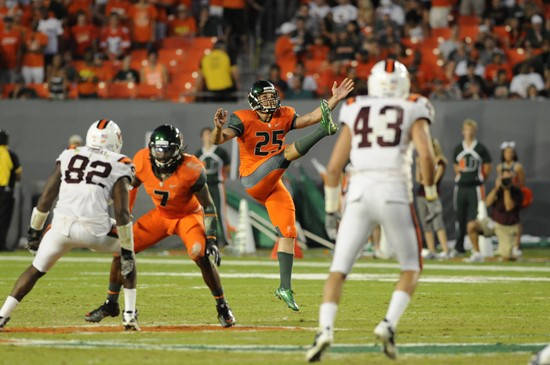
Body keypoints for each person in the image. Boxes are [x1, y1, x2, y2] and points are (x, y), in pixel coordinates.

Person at [306, 59, 438, 362]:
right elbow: (427, 157)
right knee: (411, 267)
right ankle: (388, 324)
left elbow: (335, 167)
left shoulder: (355, 106)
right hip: (395, 193)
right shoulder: (415, 105)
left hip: (358, 194)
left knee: (338, 271)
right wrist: (430, 194)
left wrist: (330, 208)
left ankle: (324, 329)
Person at [212, 78, 354, 311]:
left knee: (288, 233)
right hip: (253, 177)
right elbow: (219, 139)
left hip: (273, 183)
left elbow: (311, 116)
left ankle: (284, 287)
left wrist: (335, 99)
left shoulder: (284, 114)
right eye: (264, 98)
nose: (269, 101)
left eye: (271, 96)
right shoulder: (243, 118)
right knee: (286, 153)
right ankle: (323, 133)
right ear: (254, 102)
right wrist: (218, 126)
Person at [85, 125, 235, 328]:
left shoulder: (191, 167)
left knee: (200, 254)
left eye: (166, 149)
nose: (161, 154)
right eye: (158, 149)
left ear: (177, 149)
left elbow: (208, 205)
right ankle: (111, 303)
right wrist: (125, 214)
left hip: (187, 216)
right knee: (121, 248)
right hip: (161, 216)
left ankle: (222, 306)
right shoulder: (142, 160)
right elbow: (129, 187)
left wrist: (211, 239)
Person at [0, 120, 139, 331]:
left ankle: (2, 315)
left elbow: (46, 198)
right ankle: (129, 315)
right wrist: (127, 251)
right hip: (96, 231)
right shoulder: (120, 162)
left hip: (60, 229)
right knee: (127, 249)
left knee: (36, 268)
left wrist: (34, 231)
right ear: (116, 141)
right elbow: (121, 213)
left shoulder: (69, 154)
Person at [453, 119, 492, 259]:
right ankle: (459, 247)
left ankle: (476, 249)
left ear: (474, 132)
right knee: (460, 218)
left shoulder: (480, 148)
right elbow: (456, 167)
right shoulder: (458, 148)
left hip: (474, 187)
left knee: (472, 219)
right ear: (463, 131)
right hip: (461, 187)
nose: (468, 133)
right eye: (466, 130)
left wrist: (481, 179)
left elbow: (487, 167)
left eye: (471, 130)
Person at [467, 168, 522, 261]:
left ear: (513, 179)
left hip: (507, 227)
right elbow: (487, 203)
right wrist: (496, 188)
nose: (506, 181)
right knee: (472, 226)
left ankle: (513, 250)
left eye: (508, 178)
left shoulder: (517, 192)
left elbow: (509, 207)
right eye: (504, 178)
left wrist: (507, 189)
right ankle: (477, 253)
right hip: (494, 223)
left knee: (508, 257)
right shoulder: (497, 190)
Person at [195, 127, 232, 247]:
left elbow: (227, 168)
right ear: (201, 138)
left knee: (220, 212)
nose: (207, 137)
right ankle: (206, 239)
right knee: (203, 212)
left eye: (209, 135)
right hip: (203, 186)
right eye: (205, 135)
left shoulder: (220, 152)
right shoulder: (199, 154)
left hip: (217, 184)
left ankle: (226, 240)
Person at [416, 138, 450, 259]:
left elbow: (433, 181)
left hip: (433, 195)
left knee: (438, 223)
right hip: (421, 194)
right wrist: (418, 165)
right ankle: (431, 250)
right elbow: (418, 179)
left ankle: (445, 249)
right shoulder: (422, 160)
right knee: (426, 224)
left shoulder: (440, 162)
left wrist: (425, 175)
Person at [497, 141, 528, 257]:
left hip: (515, 193)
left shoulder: (518, 167)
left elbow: (522, 183)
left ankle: (517, 245)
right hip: (504, 193)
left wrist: (515, 190)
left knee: (516, 218)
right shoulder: (500, 167)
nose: (509, 155)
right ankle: (506, 242)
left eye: (511, 152)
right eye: (507, 152)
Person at [0, 130, 22, 252]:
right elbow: (18, 174)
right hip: (5, 190)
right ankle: (1, 244)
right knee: (3, 218)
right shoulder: (10, 154)